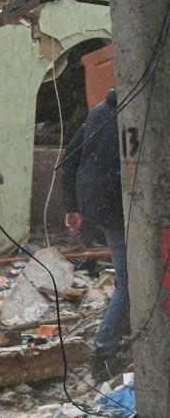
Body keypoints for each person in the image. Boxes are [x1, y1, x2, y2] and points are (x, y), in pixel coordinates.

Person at [60, 89, 129, 382]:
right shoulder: (138, 112)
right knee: (133, 282)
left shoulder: (100, 110)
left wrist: (72, 206)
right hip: (119, 204)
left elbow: (69, 157)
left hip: (96, 203)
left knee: (137, 276)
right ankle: (103, 354)